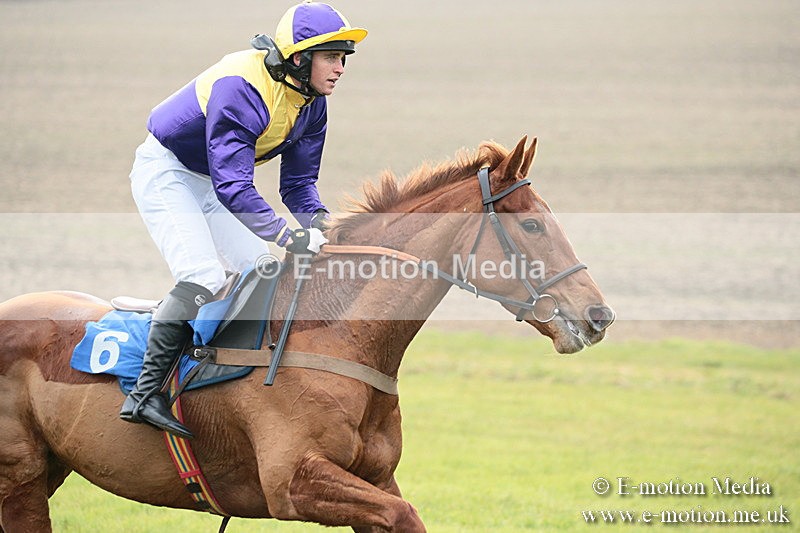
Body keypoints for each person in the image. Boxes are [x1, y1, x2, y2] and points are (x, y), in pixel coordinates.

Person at [119, 1, 367, 439]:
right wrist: (286, 233)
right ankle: (143, 393)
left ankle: (215, 372)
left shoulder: (312, 105)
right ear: (299, 57)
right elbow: (235, 186)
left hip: (212, 183)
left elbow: (298, 185)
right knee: (202, 275)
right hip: (168, 173)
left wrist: (324, 227)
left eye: (344, 57)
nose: (341, 67)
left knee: (257, 268)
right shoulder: (242, 86)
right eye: (332, 56)